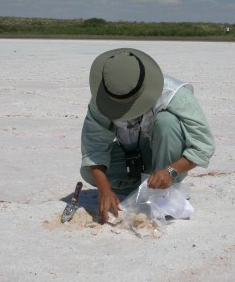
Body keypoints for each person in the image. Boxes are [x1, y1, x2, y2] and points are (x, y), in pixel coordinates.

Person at [80, 48, 215, 222]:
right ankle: (143, 188)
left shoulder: (174, 94)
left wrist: (171, 171)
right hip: (128, 154)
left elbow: (203, 146)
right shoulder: (101, 100)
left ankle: (165, 189)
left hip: (164, 156)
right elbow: (93, 148)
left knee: (167, 122)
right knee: (90, 173)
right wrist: (104, 189)